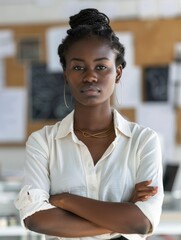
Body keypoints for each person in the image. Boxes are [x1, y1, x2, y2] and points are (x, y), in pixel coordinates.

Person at [15, 8, 164, 240]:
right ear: (66, 74)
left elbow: (142, 222)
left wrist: (64, 200)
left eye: (101, 66)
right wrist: (123, 214)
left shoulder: (143, 141)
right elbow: (35, 218)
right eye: (78, 67)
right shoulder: (43, 142)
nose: (90, 76)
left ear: (118, 73)